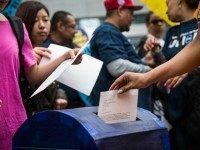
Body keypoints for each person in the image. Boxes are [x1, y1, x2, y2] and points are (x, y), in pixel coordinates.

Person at [110, 0, 200, 149]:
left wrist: (192, 69)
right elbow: (194, 49)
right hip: (175, 108)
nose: (165, 8)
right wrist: (150, 69)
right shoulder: (172, 32)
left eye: (168, 1)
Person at [0, 1, 81, 149]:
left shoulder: (16, 27)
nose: (42, 25)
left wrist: (65, 58)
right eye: (36, 20)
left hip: (16, 122)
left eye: (45, 19)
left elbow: (34, 75)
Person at [89, 0, 151, 105]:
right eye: (131, 13)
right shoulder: (107, 31)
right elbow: (117, 67)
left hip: (119, 104)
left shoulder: (111, 31)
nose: (133, 18)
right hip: (116, 106)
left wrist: (144, 61)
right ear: (120, 10)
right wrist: (149, 70)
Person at [43, 11, 84, 108]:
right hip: (58, 106)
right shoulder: (46, 49)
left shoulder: (73, 46)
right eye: (72, 27)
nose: (75, 31)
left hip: (79, 104)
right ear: (60, 26)